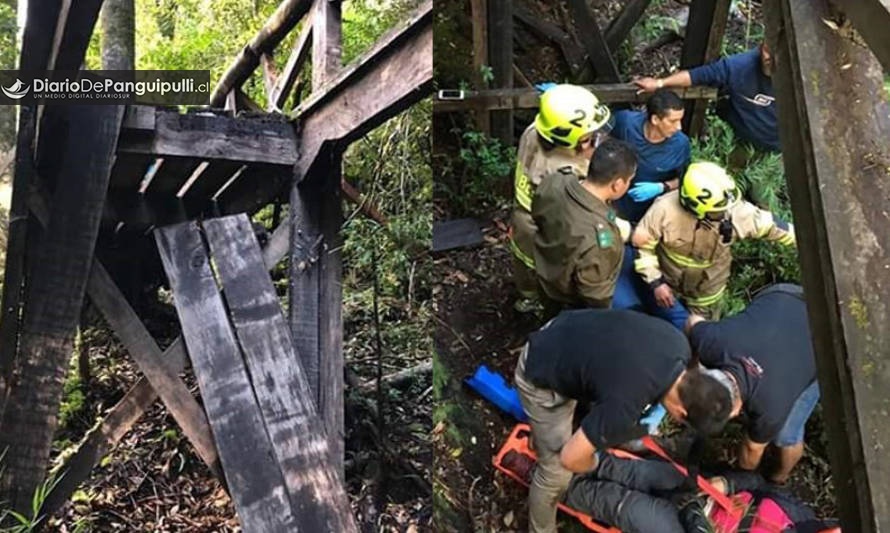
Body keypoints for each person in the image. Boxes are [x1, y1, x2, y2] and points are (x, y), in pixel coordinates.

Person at [513, 308, 733, 533]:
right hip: (540, 369)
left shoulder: (678, 344)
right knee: (556, 473)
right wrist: (592, 463)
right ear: (681, 414)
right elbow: (570, 458)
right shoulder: (626, 405)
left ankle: (542, 440)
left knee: (574, 433)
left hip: (567, 327)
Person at [686, 283, 819, 484]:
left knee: (786, 434)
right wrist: (693, 367)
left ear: (736, 410)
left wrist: (736, 481)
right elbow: (692, 322)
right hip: (781, 299)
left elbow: (752, 449)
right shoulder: (713, 342)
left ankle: (778, 479)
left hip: (819, 337)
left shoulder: (771, 407)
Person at [632, 161, 795, 320]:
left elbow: (775, 227)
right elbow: (643, 248)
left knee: (702, 336)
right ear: (694, 206)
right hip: (666, 285)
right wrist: (656, 282)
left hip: (707, 292)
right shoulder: (663, 210)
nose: (725, 213)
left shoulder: (735, 211)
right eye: (717, 212)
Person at [634, 42, 778, 207]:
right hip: (736, 141)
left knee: (764, 196)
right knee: (725, 186)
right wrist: (660, 83)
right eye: (766, 49)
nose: (767, 57)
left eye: (774, 52)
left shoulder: (800, 74)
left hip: (777, 148)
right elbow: (699, 75)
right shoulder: (740, 66)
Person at [510, 84, 613, 309]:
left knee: (524, 263)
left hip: (523, 217)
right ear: (567, 139)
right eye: (589, 138)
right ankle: (538, 303)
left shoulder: (534, 130)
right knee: (544, 268)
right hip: (546, 227)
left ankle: (527, 296)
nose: (596, 141)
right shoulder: (565, 172)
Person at [563, 454, 840, 533]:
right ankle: (578, 457)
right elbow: (758, 484)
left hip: (685, 527)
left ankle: (562, 488)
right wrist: (725, 484)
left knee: (627, 507)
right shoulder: (801, 516)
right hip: (706, 493)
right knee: (640, 472)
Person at [532, 139, 636, 316]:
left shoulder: (556, 181)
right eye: (629, 181)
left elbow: (538, 214)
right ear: (617, 184)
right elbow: (596, 298)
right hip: (569, 301)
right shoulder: (600, 242)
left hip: (546, 270)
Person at [611, 88, 691, 224]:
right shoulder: (625, 123)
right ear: (655, 119)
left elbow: (684, 180)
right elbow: (599, 138)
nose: (679, 127)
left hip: (648, 216)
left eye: (680, 120)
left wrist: (662, 187)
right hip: (613, 205)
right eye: (673, 121)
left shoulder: (680, 145)